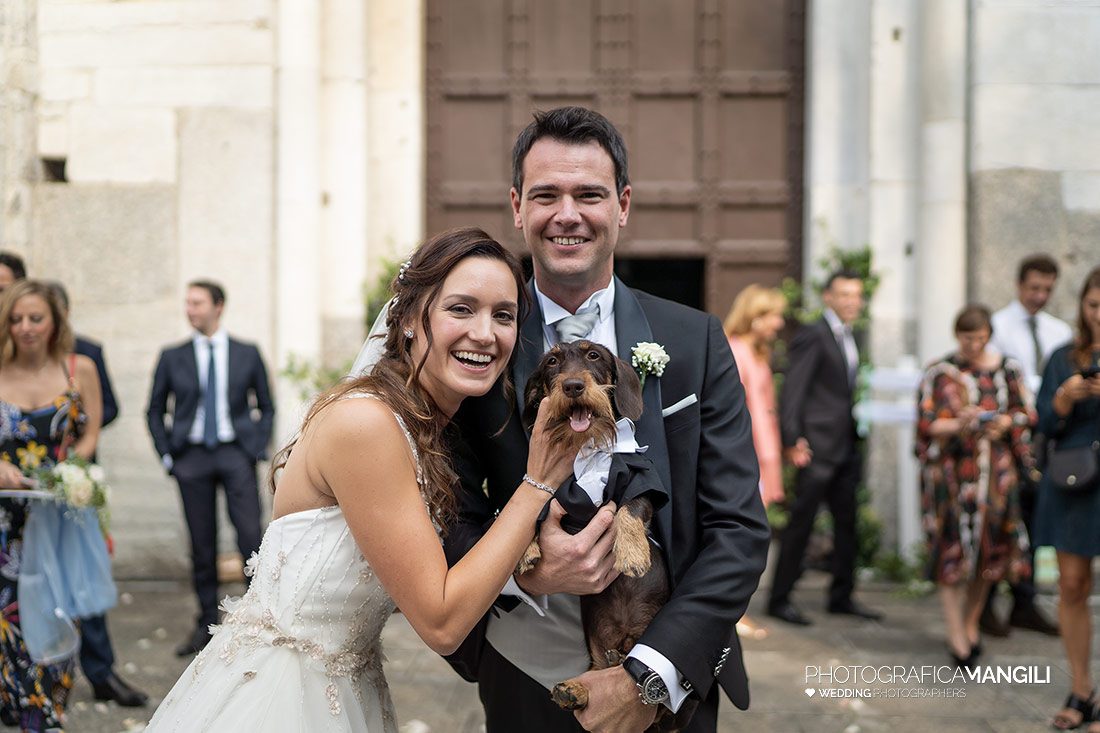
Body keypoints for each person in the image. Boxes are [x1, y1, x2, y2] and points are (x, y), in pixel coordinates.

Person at [146, 227, 578, 731]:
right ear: (412, 320)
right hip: (281, 698)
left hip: (348, 688)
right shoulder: (367, 424)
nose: (485, 333)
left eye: (503, 315)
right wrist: (538, 484)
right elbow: (440, 621)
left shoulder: (425, 427)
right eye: (461, 309)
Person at [442, 107, 770, 733]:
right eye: (545, 195)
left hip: (673, 675)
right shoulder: (475, 343)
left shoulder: (695, 339)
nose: (567, 215)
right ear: (518, 207)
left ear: (622, 205)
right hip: (525, 669)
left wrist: (648, 673)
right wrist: (526, 570)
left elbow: (737, 527)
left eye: (588, 194)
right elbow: (448, 514)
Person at [145, 280, 276, 657]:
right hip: (192, 458)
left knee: (251, 537)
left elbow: (265, 405)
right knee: (202, 545)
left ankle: (257, 622)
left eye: (197, 303)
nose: (190, 310)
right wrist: (168, 456)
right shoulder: (173, 356)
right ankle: (205, 624)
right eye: (187, 303)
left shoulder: (247, 353)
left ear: (218, 306)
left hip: (236, 454)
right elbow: (155, 409)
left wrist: (256, 447)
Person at [0, 280, 107, 731]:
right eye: (16, 318)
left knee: (58, 615)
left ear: (55, 322)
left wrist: (70, 470)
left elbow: (91, 431)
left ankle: (44, 716)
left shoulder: (78, 369)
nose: (25, 327)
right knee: (7, 622)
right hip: (5, 523)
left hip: (59, 514)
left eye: (35, 318)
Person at [40, 280, 145, 707]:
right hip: (23, 487)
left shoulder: (86, 354)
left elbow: (109, 409)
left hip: (74, 481)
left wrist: (77, 446)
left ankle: (100, 671)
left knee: (86, 575)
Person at [915, 305, 1033, 669]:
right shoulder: (940, 372)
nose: (974, 344)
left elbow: (1026, 413)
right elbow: (926, 423)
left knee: (989, 554)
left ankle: (970, 623)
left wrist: (1002, 423)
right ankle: (956, 635)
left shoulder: (1008, 369)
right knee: (951, 553)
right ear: (957, 335)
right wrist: (958, 424)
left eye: (980, 338)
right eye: (968, 338)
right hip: (952, 479)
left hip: (995, 477)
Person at [767, 270, 882, 626]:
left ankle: (841, 595)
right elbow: (794, 391)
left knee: (847, 523)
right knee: (802, 522)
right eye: (844, 294)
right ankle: (779, 597)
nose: (851, 301)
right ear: (828, 296)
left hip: (845, 444)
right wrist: (792, 440)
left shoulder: (850, 335)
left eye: (856, 295)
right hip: (815, 447)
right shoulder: (813, 335)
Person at [981, 255, 1069, 638]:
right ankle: (984, 604)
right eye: (1034, 287)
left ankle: (1025, 600)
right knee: (1000, 515)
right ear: (1019, 285)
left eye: (1047, 289)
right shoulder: (998, 327)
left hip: (1044, 434)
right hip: (1008, 435)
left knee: (1033, 517)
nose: (1040, 295)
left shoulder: (1059, 332)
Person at [1034, 266, 1100, 732]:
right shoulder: (1064, 356)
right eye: (1094, 304)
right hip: (1075, 481)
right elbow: (1043, 425)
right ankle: (1081, 688)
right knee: (1072, 585)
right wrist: (1063, 399)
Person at [724, 284, 787, 641]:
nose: (778, 323)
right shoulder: (736, 350)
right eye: (772, 315)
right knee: (742, 536)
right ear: (755, 315)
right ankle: (733, 611)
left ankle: (737, 609)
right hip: (747, 454)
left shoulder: (756, 351)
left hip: (763, 451)